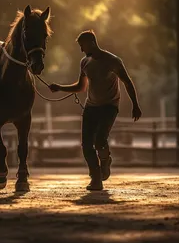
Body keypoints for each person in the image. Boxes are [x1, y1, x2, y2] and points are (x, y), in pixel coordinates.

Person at [49, 30, 142, 191]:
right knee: (86, 145)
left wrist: (135, 104)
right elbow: (81, 87)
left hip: (109, 107)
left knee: (100, 140)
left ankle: (105, 160)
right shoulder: (85, 63)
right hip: (91, 107)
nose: (81, 50)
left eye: (82, 46)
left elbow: (127, 82)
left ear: (91, 42)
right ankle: (96, 178)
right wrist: (60, 88)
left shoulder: (112, 61)